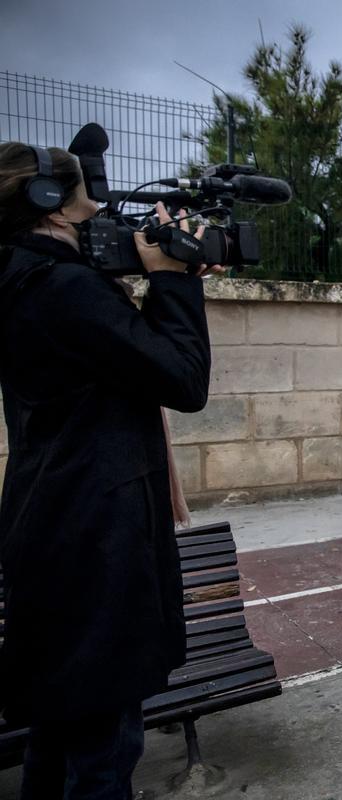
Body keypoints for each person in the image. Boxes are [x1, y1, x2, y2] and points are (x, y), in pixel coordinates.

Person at [0, 142, 216, 796]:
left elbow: (118, 363)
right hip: (98, 541)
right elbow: (180, 378)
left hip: (53, 520)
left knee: (57, 737)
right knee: (101, 753)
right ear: (49, 205)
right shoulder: (63, 288)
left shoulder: (22, 279)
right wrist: (174, 279)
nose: (100, 213)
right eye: (88, 202)